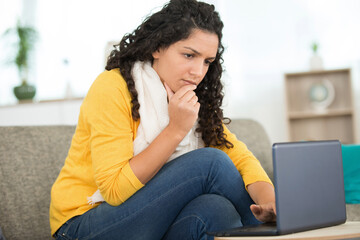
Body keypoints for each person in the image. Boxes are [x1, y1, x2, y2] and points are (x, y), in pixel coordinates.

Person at [49, 0, 276, 239]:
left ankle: (276, 222)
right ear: (157, 47)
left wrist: (269, 202)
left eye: (207, 61)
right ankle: (278, 234)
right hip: (81, 225)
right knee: (211, 164)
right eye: (189, 55)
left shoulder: (189, 99)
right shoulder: (112, 87)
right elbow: (114, 189)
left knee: (216, 210)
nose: (198, 72)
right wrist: (175, 129)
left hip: (143, 220)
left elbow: (238, 156)